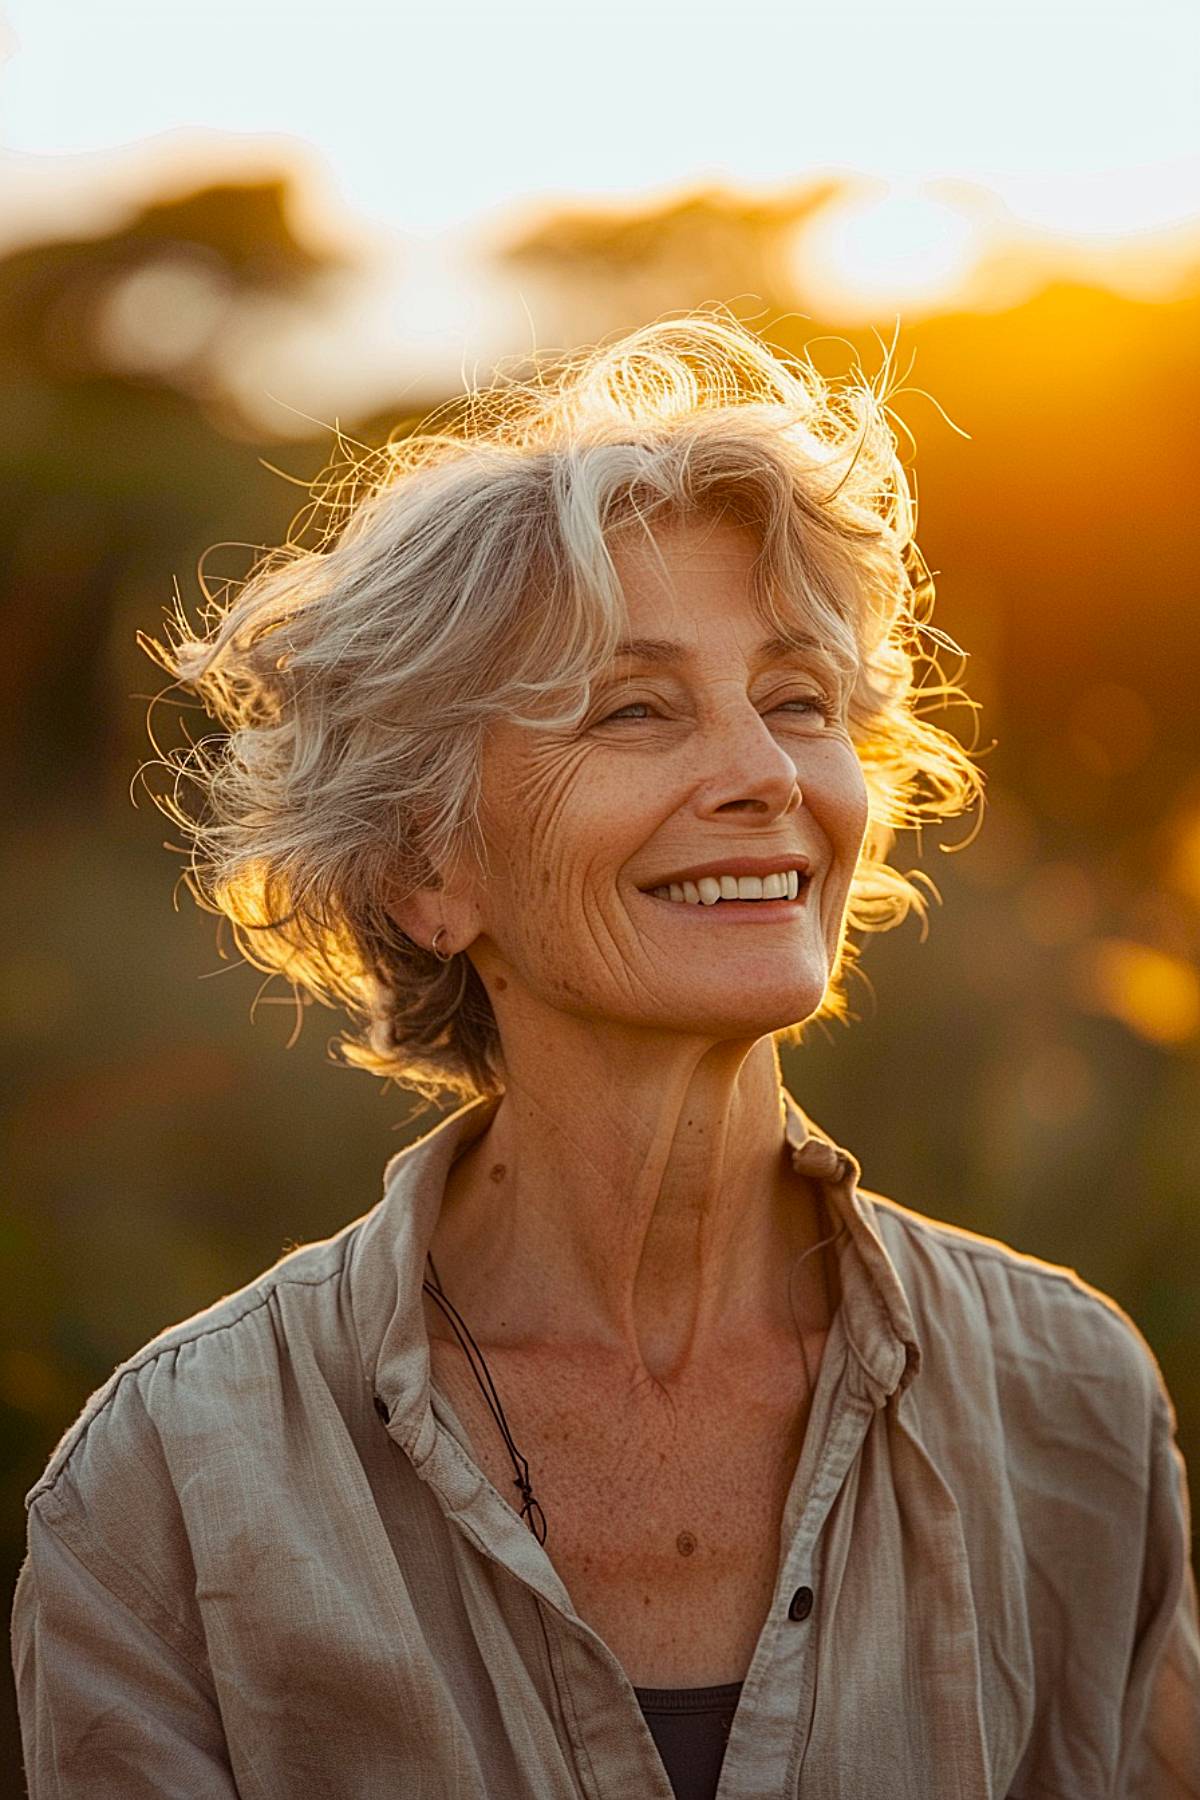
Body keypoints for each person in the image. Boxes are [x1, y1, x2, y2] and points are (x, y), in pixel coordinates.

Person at [11, 311, 1200, 1798]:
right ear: (424, 870)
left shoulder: (1067, 1403)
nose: (766, 775)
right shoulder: (173, 1491)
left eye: (798, 702)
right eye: (636, 710)